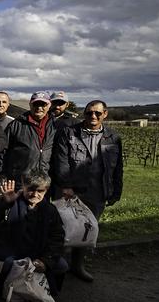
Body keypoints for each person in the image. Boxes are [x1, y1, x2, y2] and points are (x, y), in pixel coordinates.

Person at [53, 100, 123, 282]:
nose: (93, 116)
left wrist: (116, 191)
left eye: (97, 113)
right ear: (84, 114)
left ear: (105, 114)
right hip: (72, 191)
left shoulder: (113, 138)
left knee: (87, 230)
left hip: (98, 192)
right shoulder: (69, 133)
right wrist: (66, 185)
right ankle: (55, 265)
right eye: (89, 113)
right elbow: (61, 162)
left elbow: (117, 168)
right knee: (63, 228)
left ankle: (78, 266)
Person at [0, 172, 68, 296]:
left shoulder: (50, 210)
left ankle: (43, 289)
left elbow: (57, 237)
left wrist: (45, 261)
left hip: (38, 253)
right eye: (31, 190)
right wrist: (5, 202)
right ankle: (4, 288)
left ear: (46, 190)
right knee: (8, 263)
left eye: (40, 191)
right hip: (11, 250)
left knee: (61, 265)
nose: (35, 194)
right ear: (23, 186)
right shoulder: (12, 201)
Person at [3, 92, 56, 186]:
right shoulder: (16, 125)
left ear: (49, 105)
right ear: (30, 104)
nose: (39, 108)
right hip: (20, 180)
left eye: (43, 104)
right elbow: (3, 151)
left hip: (45, 180)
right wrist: (2, 174)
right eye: (36, 104)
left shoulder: (56, 126)